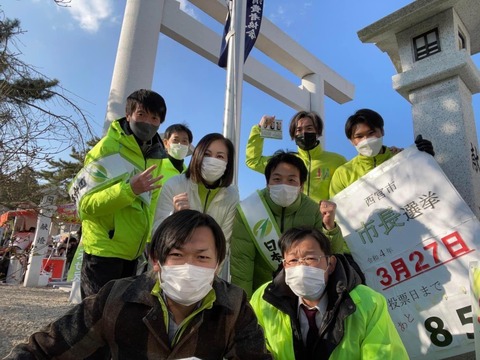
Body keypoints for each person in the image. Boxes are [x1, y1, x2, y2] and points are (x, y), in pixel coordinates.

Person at [4, 210, 272, 359]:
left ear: (218, 263)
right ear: (156, 260)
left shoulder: (234, 305)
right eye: (176, 255)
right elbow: (43, 350)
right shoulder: (116, 297)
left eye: (202, 257)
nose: (189, 267)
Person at [250, 227, 408, 359]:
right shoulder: (264, 299)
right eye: (293, 261)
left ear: (330, 263)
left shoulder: (368, 302)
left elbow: (384, 354)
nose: (301, 267)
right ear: (284, 265)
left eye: (310, 258)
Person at [68, 89, 167, 299]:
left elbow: (150, 204)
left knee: (121, 318)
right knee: (96, 319)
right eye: (141, 115)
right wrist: (128, 190)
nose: (148, 122)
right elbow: (85, 206)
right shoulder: (107, 148)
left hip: (134, 254)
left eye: (154, 117)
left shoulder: (156, 157)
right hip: (103, 252)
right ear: (128, 115)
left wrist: (149, 241)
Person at [230, 151, 344, 298]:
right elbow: (242, 264)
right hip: (262, 294)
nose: (284, 185)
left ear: (301, 186)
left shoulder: (313, 210)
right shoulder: (249, 209)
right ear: (268, 183)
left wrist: (330, 229)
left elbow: (329, 257)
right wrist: (243, 305)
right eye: (277, 179)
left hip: (302, 294)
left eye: (291, 180)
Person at [153, 133, 239, 279]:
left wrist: (211, 277)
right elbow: (156, 231)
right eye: (207, 154)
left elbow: (224, 241)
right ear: (198, 155)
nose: (213, 160)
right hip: (171, 269)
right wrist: (174, 217)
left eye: (220, 156)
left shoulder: (232, 195)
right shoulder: (174, 184)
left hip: (205, 272)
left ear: (228, 163)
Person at [329, 108, 435, 197]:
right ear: (352, 141)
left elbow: (429, 182)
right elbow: (338, 214)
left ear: (382, 131)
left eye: (371, 133)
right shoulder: (343, 173)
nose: (366, 139)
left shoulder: (402, 157)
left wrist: (425, 158)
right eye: (359, 136)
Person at [246, 111, 347, 203]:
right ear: (293, 134)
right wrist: (259, 129)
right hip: (292, 221)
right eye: (299, 130)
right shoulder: (285, 161)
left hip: (324, 221)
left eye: (309, 128)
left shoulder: (337, 160)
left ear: (318, 131)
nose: (304, 133)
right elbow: (253, 161)